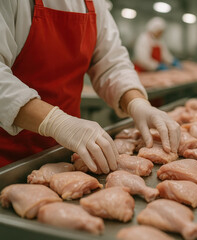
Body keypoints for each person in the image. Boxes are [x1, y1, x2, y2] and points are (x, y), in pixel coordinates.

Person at [0, 0, 180, 173]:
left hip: (71, 149)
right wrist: (56, 123)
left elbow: (112, 65)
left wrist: (137, 103)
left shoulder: (94, 3)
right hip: (8, 155)